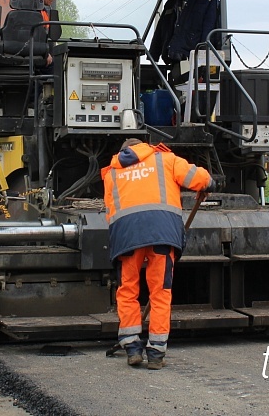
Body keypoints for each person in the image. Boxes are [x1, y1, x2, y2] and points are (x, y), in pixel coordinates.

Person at [102, 138, 214, 370]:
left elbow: (111, 210)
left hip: (127, 237)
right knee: (160, 292)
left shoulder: (112, 172)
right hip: (162, 234)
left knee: (127, 291)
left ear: (123, 152)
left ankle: (132, 347)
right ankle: (156, 353)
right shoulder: (165, 159)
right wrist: (208, 185)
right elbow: (199, 178)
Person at [34, 0, 60, 67]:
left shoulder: (43, 12)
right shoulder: (32, 13)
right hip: (37, 56)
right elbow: (33, 37)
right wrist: (45, 53)